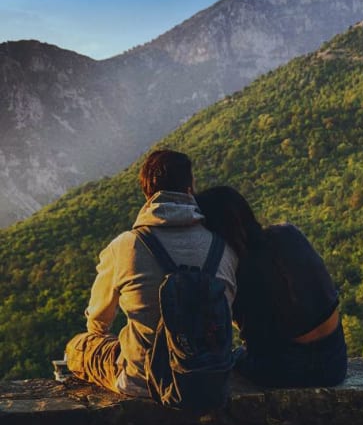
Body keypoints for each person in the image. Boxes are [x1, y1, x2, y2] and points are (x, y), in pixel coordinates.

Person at [64, 150, 238, 396]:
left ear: (147, 193)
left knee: (77, 346)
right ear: (190, 189)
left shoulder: (126, 245)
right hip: (209, 376)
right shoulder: (224, 248)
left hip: (142, 379)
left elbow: (98, 320)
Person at [195, 186, 347, 388]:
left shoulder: (240, 269)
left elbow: (259, 347)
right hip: (336, 361)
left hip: (291, 370)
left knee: (233, 359)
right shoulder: (288, 233)